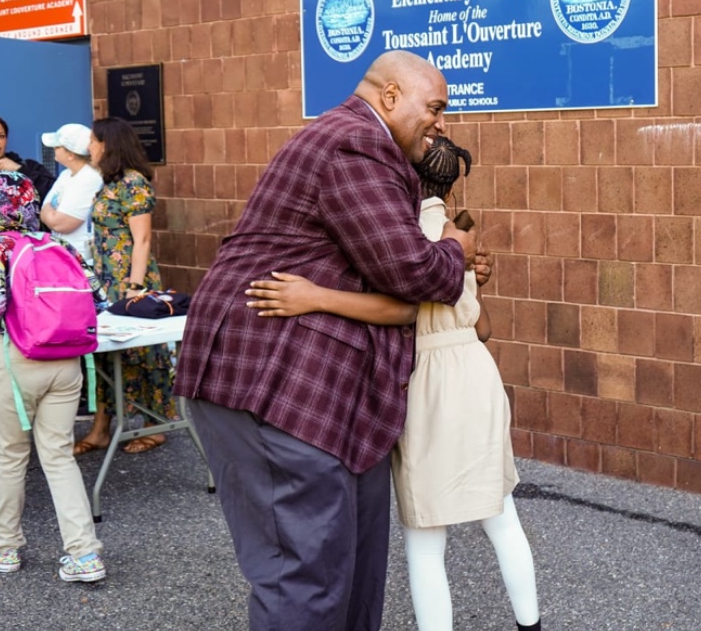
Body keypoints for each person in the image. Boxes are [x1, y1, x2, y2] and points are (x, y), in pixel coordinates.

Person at [173, 51, 476, 631]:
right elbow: (414, 271)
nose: (442, 124)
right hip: (273, 384)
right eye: (434, 108)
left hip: (321, 394)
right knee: (305, 579)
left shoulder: (365, 147)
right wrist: (455, 252)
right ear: (390, 97)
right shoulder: (353, 144)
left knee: (352, 573)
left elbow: (399, 285)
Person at [246, 137, 541, 631]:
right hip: (476, 374)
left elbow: (397, 308)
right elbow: (483, 328)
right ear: (452, 182)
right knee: (500, 513)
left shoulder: (396, 233)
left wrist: (311, 296)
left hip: (424, 381)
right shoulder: (458, 235)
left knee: (425, 532)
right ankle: (531, 625)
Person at [0, 171, 109, 581]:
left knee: (11, 455)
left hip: (17, 359)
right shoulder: (60, 244)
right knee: (59, 455)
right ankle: (85, 555)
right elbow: (97, 297)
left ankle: (3, 546)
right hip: (66, 360)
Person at [72, 117, 172, 456]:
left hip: (130, 280)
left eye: (93, 141)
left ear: (108, 144)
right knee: (105, 355)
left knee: (143, 353)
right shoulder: (108, 182)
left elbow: (142, 239)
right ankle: (102, 427)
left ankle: (155, 425)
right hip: (106, 282)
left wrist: (135, 285)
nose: (89, 147)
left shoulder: (133, 183)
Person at [38, 123, 101, 264]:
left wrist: (50, 212)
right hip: (63, 257)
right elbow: (44, 211)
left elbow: (61, 224)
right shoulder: (66, 174)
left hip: (82, 261)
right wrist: (50, 214)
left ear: (71, 154)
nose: (53, 149)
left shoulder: (89, 178)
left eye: (57, 147)